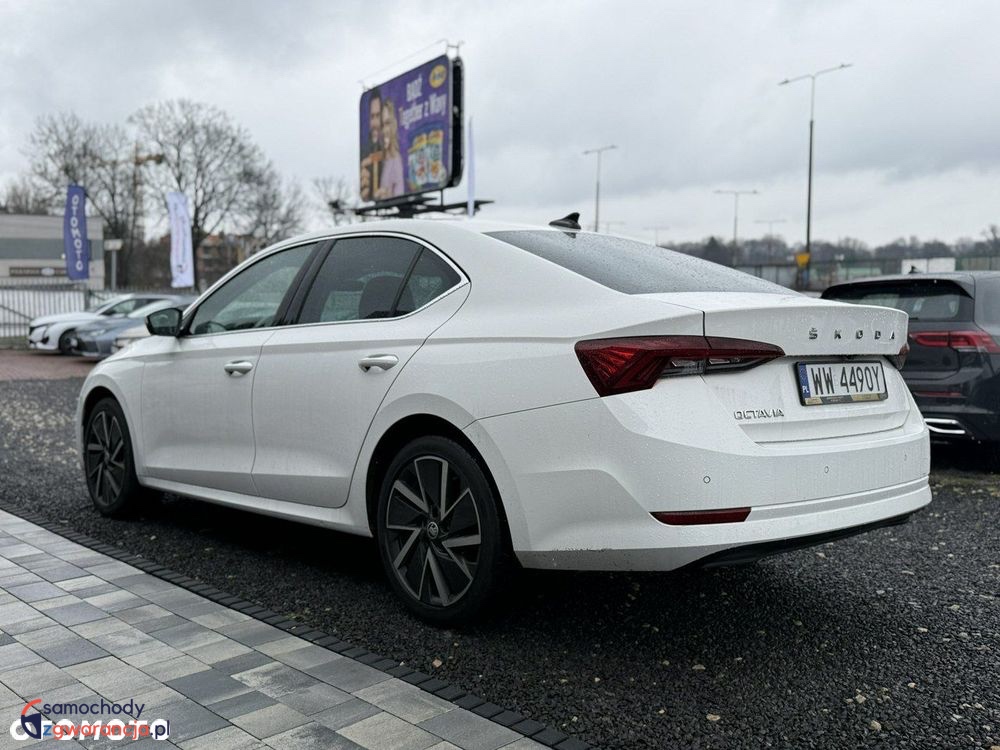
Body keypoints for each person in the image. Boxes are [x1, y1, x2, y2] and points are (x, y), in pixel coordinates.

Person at [376, 99, 405, 200]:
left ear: (394, 125)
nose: (384, 130)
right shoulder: (380, 160)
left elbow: (398, 195)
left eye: (387, 123)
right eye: (381, 125)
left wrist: (385, 194)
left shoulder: (395, 160)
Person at [359, 89, 382, 201]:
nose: (375, 123)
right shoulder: (365, 152)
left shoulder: (391, 151)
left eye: (378, 116)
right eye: (372, 117)